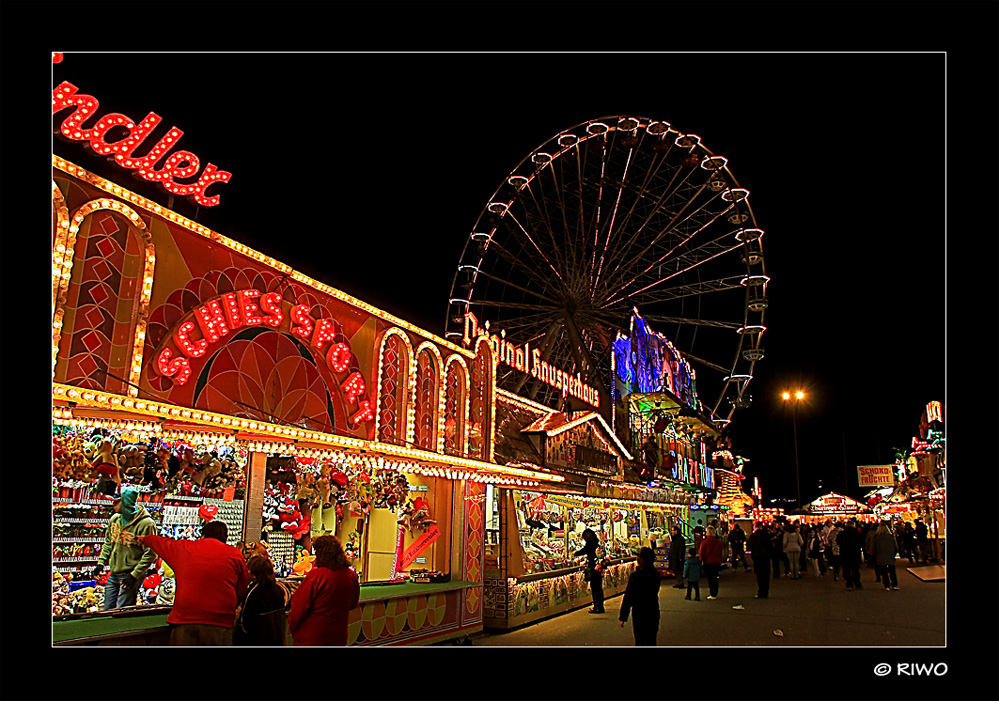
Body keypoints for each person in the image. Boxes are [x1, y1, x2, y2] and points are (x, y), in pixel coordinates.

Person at [137, 521, 249, 645]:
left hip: (186, 619)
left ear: (203, 535)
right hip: (220, 621)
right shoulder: (235, 554)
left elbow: (162, 543)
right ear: (225, 538)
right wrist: (232, 605)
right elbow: (242, 587)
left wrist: (144, 539)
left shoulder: (184, 548)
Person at [91, 488, 159, 610]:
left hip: (131, 574)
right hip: (114, 573)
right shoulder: (115, 519)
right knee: (107, 609)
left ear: (126, 503)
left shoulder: (146, 524)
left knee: (122, 610)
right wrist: (101, 563)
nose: (113, 505)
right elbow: (109, 542)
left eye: (116, 502)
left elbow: (151, 553)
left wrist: (134, 575)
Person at [288, 535, 361, 645]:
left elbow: (299, 608)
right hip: (338, 635)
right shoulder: (351, 575)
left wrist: (293, 628)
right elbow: (353, 604)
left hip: (311, 636)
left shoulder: (316, 576)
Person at [234, 554, 288, 646]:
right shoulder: (278, 590)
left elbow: (244, 624)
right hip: (276, 640)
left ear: (253, 573)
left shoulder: (253, 592)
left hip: (255, 640)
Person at [618, 546, 662, 645]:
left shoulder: (636, 576)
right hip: (652, 610)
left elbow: (629, 596)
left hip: (639, 611)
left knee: (640, 639)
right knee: (651, 639)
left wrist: (623, 616)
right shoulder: (655, 575)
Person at [574, 528, 605, 613]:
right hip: (599, 569)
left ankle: (597, 607)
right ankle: (600, 606)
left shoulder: (589, 545)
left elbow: (583, 551)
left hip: (593, 568)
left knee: (595, 588)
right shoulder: (596, 544)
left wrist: (574, 553)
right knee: (599, 588)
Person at [747, 522, 774, 599]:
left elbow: (749, 545)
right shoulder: (766, 535)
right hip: (765, 557)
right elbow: (770, 546)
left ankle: (760, 591)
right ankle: (765, 592)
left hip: (757, 557)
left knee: (759, 575)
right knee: (766, 574)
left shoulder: (753, 536)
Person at [836, 519, 864, 591]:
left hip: (845, 554)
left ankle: (849, 584)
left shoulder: (842, 533)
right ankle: (857, 583)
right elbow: (861, 542)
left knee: (847, 569)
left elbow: (838, 542)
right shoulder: (856, 533)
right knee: (855, 569)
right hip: (855, 554)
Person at [873, 522, 901, 591]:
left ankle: (887, 585)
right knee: (892, 571)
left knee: (884, 572)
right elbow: (896, 547)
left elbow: (874, 548)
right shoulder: (891, 537)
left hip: (880, 556)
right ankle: (895, 585)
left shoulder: (877, 538)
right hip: (890, 556)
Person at [699, 526, 723, 600]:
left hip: (708, 562)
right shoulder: (718, 542)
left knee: (710, 578)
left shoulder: (705, 542)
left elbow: (701, 552)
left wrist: (701, 560)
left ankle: (712, 593)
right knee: (715, 577)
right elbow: (720, 552)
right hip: (717, 561)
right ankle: (715, 592)